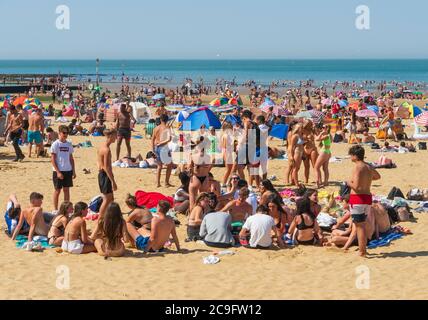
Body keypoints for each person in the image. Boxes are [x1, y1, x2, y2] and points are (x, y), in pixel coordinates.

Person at [346, 145, 381, 257]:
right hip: (367, 198)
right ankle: (363, 248)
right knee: (362, 225)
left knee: (359, 226)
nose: (350, 157)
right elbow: (377, 176)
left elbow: (356, 187)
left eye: (351, 155)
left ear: (355, 156)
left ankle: (362, 251)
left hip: (358, 198)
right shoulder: (368, 166)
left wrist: (348, 182)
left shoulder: (358, 167)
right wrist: (368, 178)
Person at [51, 125, 76, 211]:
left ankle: (66, 209)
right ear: (59, 133)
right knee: (57, 191)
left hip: (68, 170)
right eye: (64, 133)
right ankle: (55, 209)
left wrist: (73, 171)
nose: (65, 135)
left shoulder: (69, 144)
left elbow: (71, 158)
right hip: (58, 170)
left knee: (66, 190)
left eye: (67, 133)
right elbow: (53, 159)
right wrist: (58, 172)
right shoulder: (55, 144)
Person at [152, 114, 173, 188]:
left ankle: (157, 183)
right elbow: (169, 139)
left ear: (160, 120)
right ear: (167, 120)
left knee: (159, 166)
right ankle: (166, 183)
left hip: (157, 148)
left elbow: (152, 139)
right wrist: (161, 143)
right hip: (164, 148)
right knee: (170, 165)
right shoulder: (167, 128)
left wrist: (153, 149)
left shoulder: (156, 128)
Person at [302, 120, 319, 184]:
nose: (310, 125)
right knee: (306, 166)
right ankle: (306, 180)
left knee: (315, 166)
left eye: (310, 124)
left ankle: (317, 179)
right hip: (304, 149)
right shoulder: (302, 131)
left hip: (312, 149)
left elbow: (318, 135)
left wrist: (315, 128)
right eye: (309, 124)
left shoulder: (312, 130)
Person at [221, 122, 235, 186]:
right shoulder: (226, 135)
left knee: (230, 169)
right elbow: (226, 145)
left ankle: (226, 182)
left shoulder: (224, 135)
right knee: (229, 169)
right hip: (227, 152)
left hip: (226, 152)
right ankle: (224, 182)